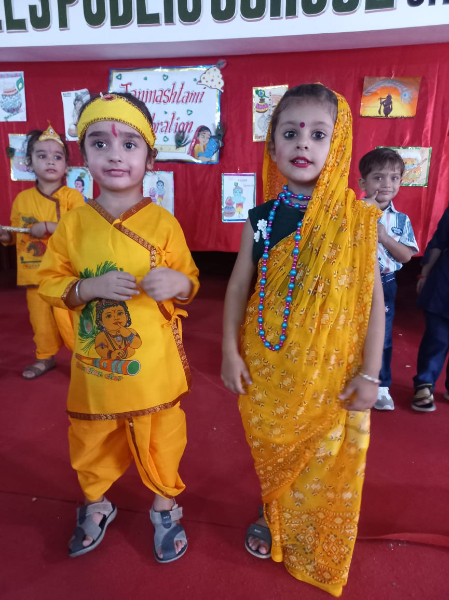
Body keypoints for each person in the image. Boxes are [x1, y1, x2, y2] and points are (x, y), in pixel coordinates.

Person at [221, 84, 384, 597]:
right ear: (272, 146)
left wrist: (371, 373)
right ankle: (272, 512)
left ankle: (305, 529)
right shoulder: (261, 220)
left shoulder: (356, 222)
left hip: (331, 372)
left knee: (321, 457)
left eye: (318, 134)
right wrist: (228, 350)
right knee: (275, 448)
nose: (303, 144)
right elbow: (238, 287)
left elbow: (372, 304)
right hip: (269, 366)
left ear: (338, 146)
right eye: (290, 133)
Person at [37, 92, 199, 561]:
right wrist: (90, 287)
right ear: (83, 157)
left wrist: (179, 284)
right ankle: (97, 502)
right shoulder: (73, 225)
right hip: (96, 366)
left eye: (130, 144)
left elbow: (189, 281)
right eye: (100, 144)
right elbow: (50, 282)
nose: (115, 155)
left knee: (161, 436)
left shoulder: (164, 223)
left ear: (150, 158)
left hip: (152, 365)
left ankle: (164, 505)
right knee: (91, 435)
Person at [0, 123, 84, 379]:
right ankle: (44, 357)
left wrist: (48, 227)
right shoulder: (22, 200)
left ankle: (84, 358)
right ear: (29, 163)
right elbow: (15, 236)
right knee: (41, 321)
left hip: (64, 275)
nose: (50, 161)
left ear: (66, 166)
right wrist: (5, 236)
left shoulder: (72, 197)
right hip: (33, 272)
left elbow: (80, 232)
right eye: (42, 155)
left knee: (72, 320)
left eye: (57, 157)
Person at [359, 148, 419, 410]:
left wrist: (383, 236)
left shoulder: (401, 220)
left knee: (381, 336)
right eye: (378, 177)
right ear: (363, 183)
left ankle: (381, 386)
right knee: (348, 332)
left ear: (401, 182)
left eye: (394, 178)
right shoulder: (351, 212)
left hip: (384, 284)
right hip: (352, 283)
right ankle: (347, 379)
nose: (386, 184)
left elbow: (405, 256)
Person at [412, 205, 449, 412]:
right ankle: (424, 385)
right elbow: (439, 241)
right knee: (437, 337)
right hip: (445, 283)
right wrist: (424, 274)